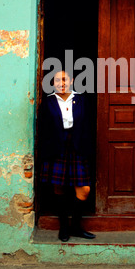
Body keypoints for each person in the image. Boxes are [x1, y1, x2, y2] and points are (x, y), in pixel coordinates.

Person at [39, 69, 96, 242]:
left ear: (70, 81)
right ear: (53, 83)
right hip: (57, 148)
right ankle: (64, 227)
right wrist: (46, 150)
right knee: (59, 188)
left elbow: (89, 125)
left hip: (77, 147)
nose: (61, 83)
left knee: (84, 190)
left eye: (64, 79)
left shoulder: (82, 100)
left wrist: (88, 147)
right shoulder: (48, 102)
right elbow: (43, 128)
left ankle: (76, 227)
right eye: (57, 80)